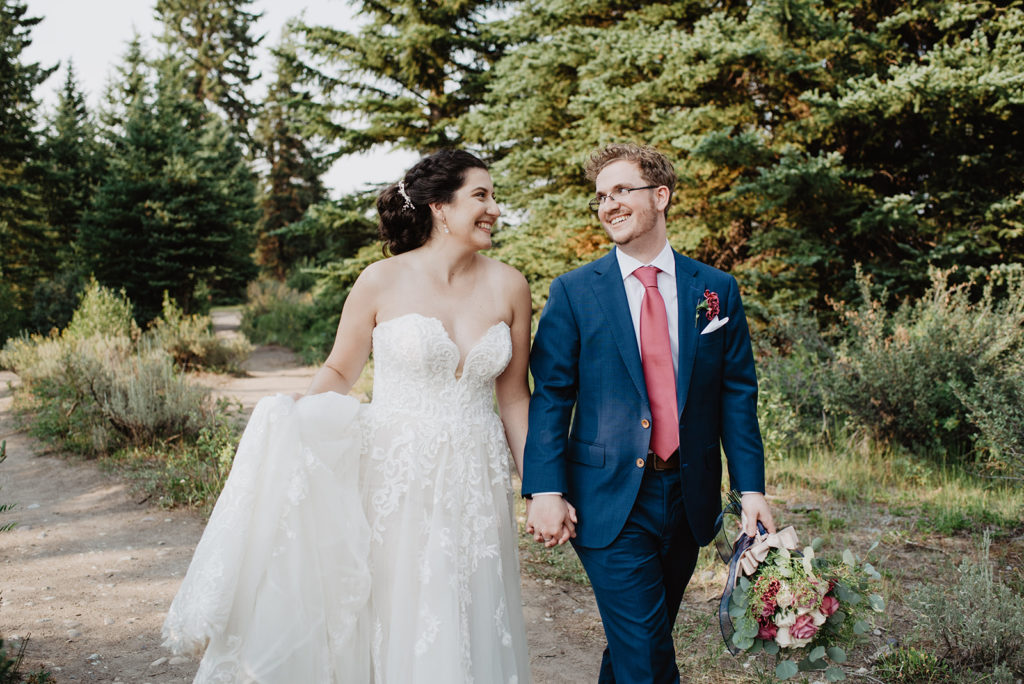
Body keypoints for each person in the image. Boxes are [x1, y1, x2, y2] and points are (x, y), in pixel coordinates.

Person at [163, 149, 534, 683]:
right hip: (395, 479)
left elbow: (514, 398)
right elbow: (341, 368)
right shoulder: (379, 281)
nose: (495, 209)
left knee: (475, 610)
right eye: (481, 195)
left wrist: (539, 488)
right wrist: (300, 412)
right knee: (397, 609)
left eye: (493, 196)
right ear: (439, 207)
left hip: (478, 481)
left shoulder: (510, 285)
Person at [523, 143, 776, 683]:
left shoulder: (715, 290)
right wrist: (544, 489)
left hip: (689, 496)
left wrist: (750, 488)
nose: (608, 205)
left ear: (660, 196)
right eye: (600, 196)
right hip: (607, 498)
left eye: (621, 191)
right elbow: (551, 395)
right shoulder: (572, 292)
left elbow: (737, 394)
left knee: (641, 639)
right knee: (647, 654)